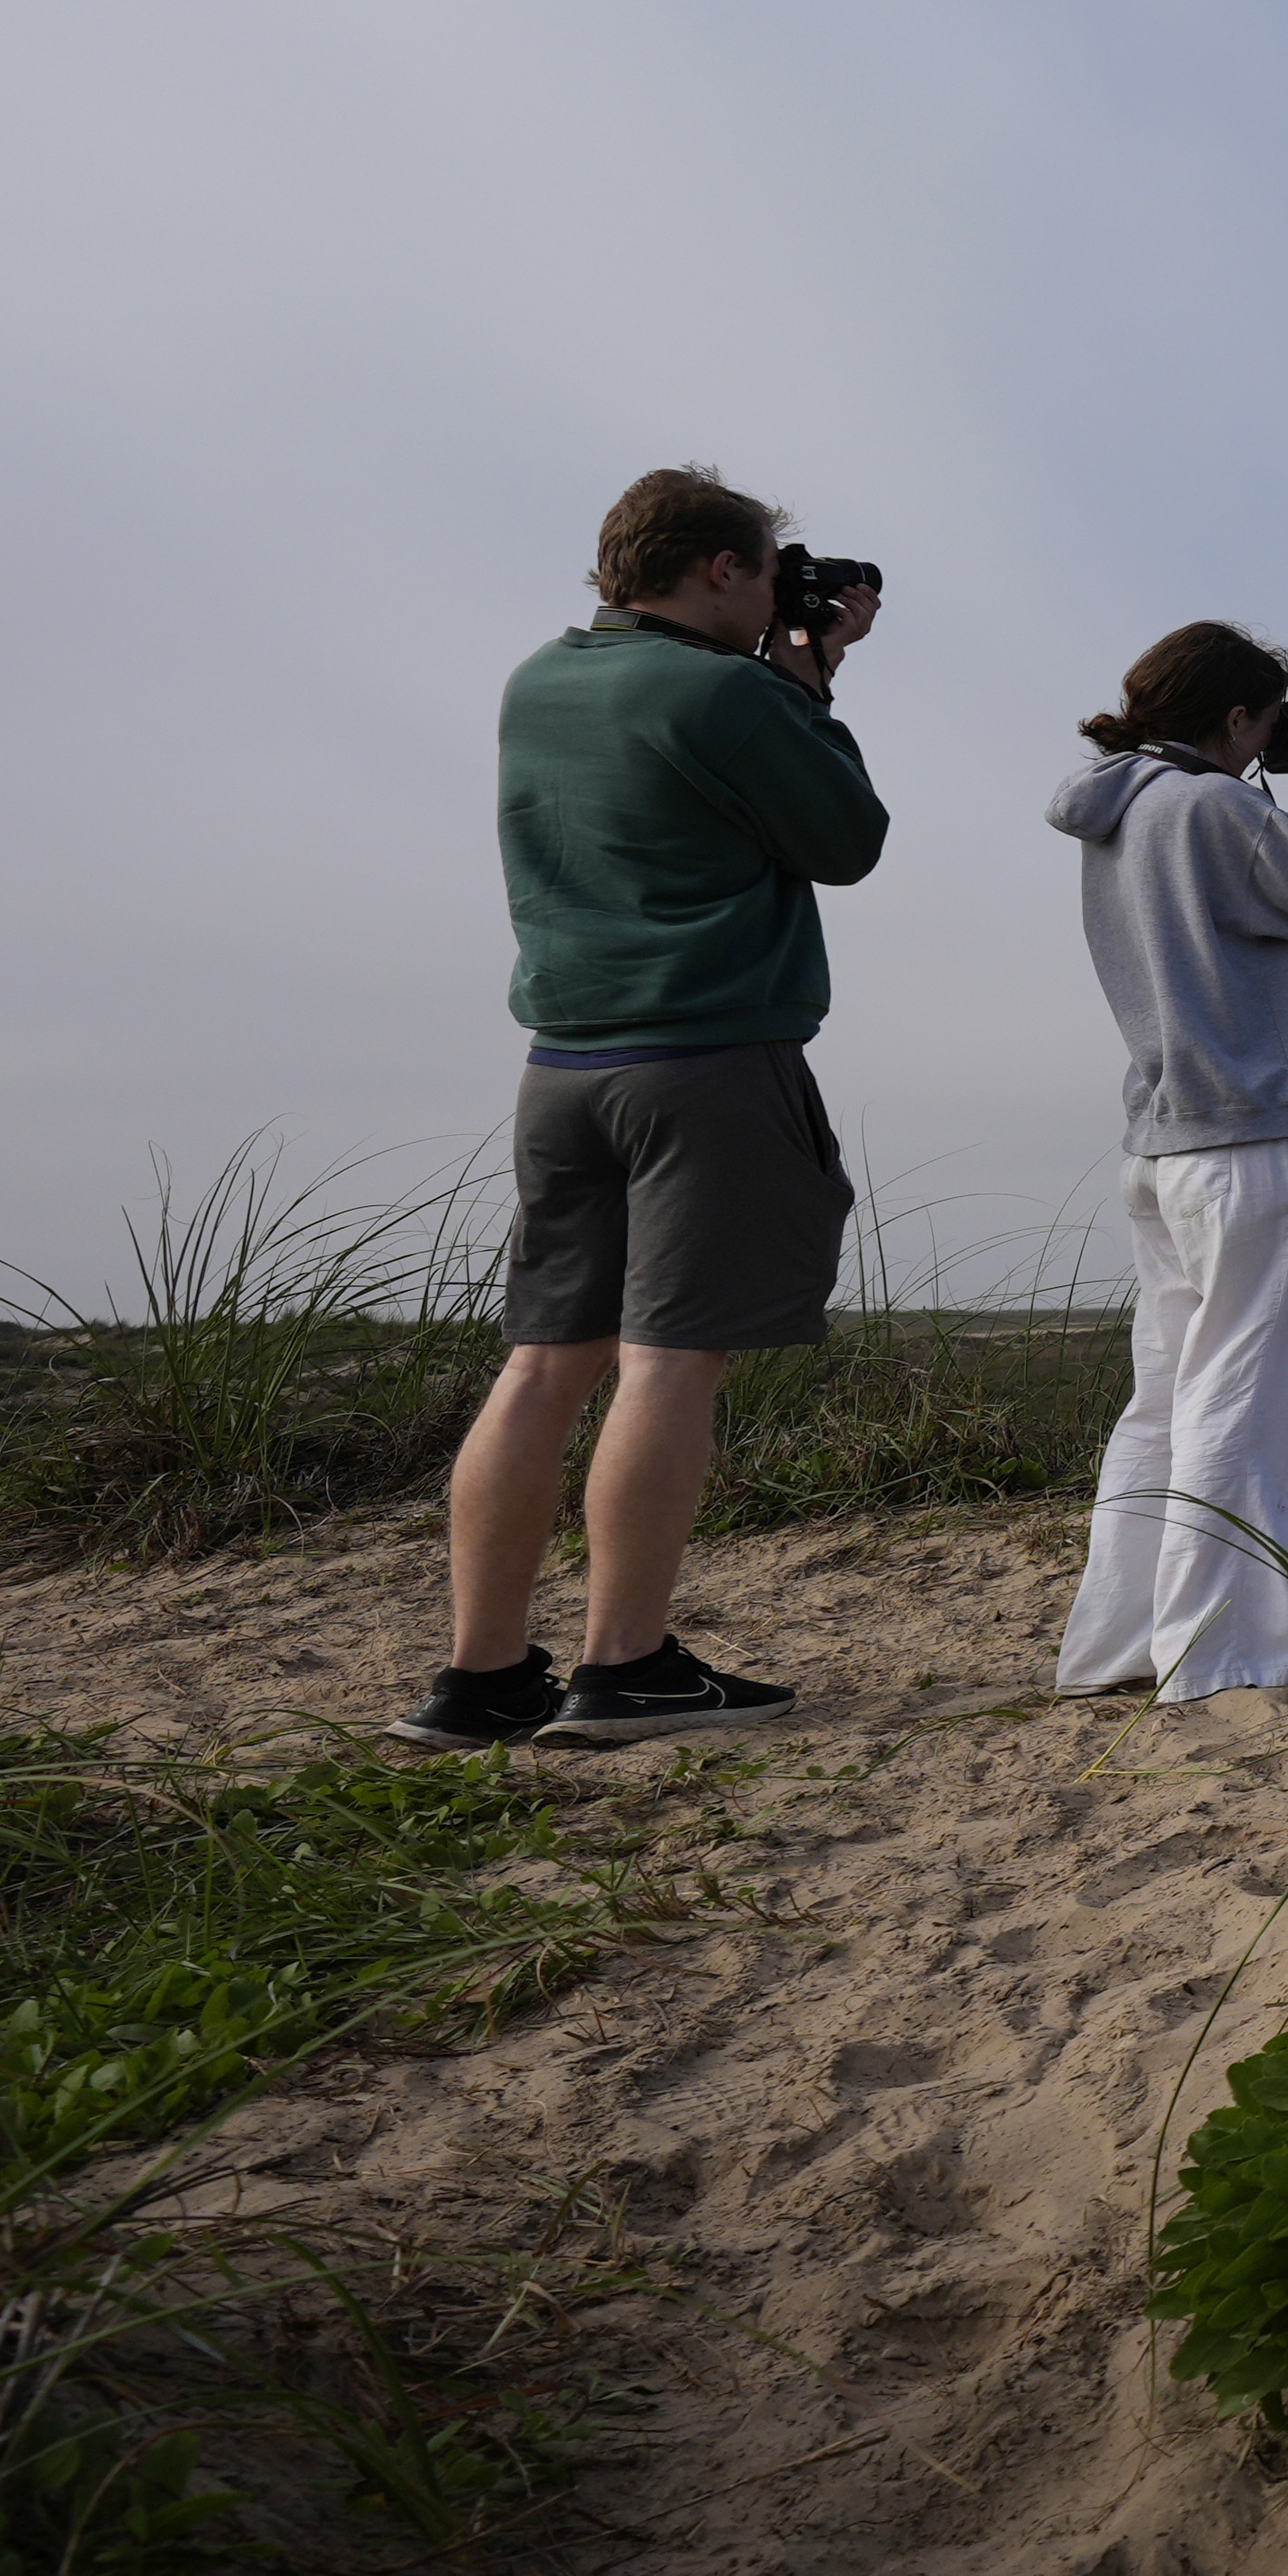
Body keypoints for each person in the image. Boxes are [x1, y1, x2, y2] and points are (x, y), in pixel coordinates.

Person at [397, 467, 884, 1750]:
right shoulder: (725, 692)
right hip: (707, 1062)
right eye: (773, 571)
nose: (785, 593)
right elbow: (845, 838)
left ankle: (481, 1677)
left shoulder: (537, 681)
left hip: (563, 1067)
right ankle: (626, 1666)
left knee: (547, 1365)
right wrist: (810, 679)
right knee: (671, 1362)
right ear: (721, 567)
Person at [1046, 625, 1288, 1702]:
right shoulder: (1212, 805)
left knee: (1164, 1399)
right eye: (1266, 726)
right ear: (1240, 718)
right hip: (1260, 1138)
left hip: (1168, 1141)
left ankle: (1120, 1642)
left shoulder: (1118, 814)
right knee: (1240, 1398)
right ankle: (1221, 1652)